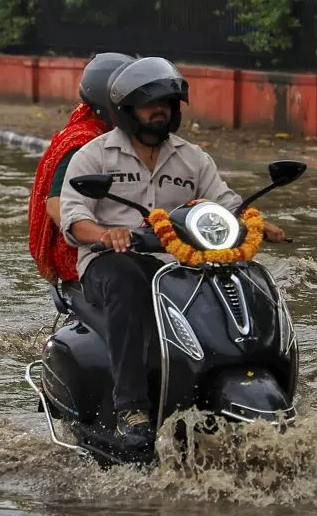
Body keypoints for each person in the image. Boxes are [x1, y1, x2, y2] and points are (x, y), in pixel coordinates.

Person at [59, 57, 288, 451]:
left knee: (242, 274)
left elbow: (225, 201)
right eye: (151, 105)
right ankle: (131, 407)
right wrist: (107, 234)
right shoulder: (95, 156)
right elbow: (74, 218)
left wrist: (255, 222)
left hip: (181, 263)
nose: (160, 112)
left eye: (167, 104)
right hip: (109, 263)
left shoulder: (191, 157)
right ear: (127, 110)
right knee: (126, 280)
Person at [28, 53, 134, 284]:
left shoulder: (135, 140)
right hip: (88, 248)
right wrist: (102, 236)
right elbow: (56, 206)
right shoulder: (85, 144)